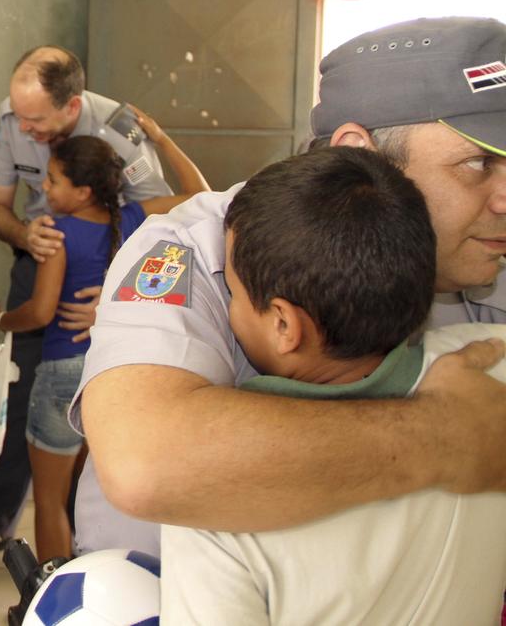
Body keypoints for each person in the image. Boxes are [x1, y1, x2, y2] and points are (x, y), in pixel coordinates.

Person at [73, 17, 506, 553]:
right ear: (361, 154)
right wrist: (444, 436)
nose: (504, 197)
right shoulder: (201, 248)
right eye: (479, 163)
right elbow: (147, 463)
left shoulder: (487, 262)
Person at [160, 147, 506, 625]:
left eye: (233, 293)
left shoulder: (215, 504)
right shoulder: (488, 366)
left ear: (285, 325)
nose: (228, 309)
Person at [0, 109, 207, 562]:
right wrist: (159, 136)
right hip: (112, 372)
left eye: (55, 180)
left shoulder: (57, 234)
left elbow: (40, 312)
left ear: (82, 192)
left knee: (49, 500)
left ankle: (49, 594)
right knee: (90, 497)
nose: (44, 187)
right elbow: (201, 194)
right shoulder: (134, 217)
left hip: (63, 375)